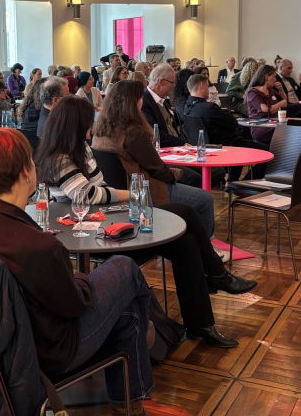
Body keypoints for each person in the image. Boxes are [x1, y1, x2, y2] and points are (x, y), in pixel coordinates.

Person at [0, 127, 175, 416]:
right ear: (27, 172)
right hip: (50, 350)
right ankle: (143, 346)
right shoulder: (39, 247)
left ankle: (131, 411)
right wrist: (80, 278)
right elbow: (74, 305)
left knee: (126, 318)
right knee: (124, 268)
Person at [37, 95, 255, 344]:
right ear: (74, 125)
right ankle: (217, 275)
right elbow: (88, 195)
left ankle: (201, 323)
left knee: (187, 243)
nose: (91, 127)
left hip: (109, 220)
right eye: (87, 122)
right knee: (186, 212)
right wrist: (129, 195)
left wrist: (122, 199)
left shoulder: (80, 148)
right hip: (94, 237)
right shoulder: (58, 159)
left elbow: (100, 188)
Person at [93, 79, 218, 237]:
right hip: (146, 190)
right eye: (140, 98)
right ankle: (207, 246)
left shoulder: (99, 131)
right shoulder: (132, 133)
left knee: (188, 178)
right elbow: (157, 168)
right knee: (205, 198)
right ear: (132, 102)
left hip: (118, 189)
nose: (142, 101)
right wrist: (173, 176)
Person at [181, 74, 268, 182]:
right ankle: (243, 183)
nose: (209, 90)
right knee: (268, 153)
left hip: (206, 147)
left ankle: (232, 181)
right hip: (225, 146)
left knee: (238, 141)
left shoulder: (186, 107)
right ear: (202, 86)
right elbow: (233, 123)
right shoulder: (209, 108)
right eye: (208, 86)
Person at [245, 65, 291, 145]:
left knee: (292, 126)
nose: (275, 80)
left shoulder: (270, 90)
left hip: (273, 124)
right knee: (287, 130)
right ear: (266, 77)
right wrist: (279, 104)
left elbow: (284, 102)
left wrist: (281, 90)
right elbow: (265, 109)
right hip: (260, 126)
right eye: (274, 76)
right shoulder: (253, 92)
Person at [143, 64, 186, 148]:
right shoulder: (143, 101)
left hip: (174, 147)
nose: (174, 85)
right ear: (161, 82)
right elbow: (154, 133)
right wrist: (181, 143)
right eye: (172, 82)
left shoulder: (163, 99)